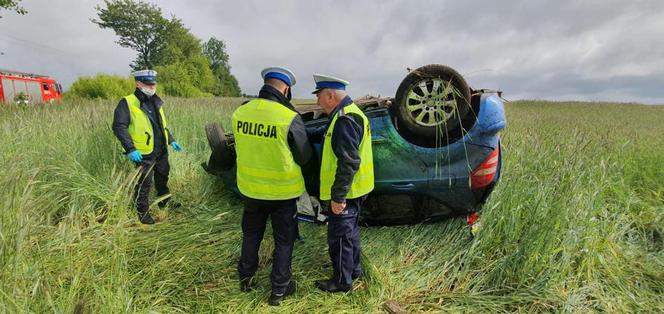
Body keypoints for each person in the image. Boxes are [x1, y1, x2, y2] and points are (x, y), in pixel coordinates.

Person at [232, 67, 313, 306]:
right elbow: (304, 156)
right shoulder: (288, 117)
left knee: (251, 234)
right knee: (284, 241)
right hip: (282, 193)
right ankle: (279, 289)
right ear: (286, 89)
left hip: (250, 190)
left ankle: (246, 278)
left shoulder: (241, 112)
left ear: (265, 84)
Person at [309, 74, 374, 293]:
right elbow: (327, 134)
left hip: (347, 193)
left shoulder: (345, 119)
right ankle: (354, 270)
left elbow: (348, 162)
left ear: (330, 95)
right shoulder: (348, 114)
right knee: (351, 233)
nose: (317, 102)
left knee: (340, 238)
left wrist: (338, 197)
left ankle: (342, 282)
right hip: (357, 190)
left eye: (319, 96)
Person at [112, 70, 182, 225]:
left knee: (163, 176)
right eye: (148, 83)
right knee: (144, 183)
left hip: (161, 149)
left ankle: (164, 201)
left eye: (154, 83)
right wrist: (130, 149)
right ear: (138, 83)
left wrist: (171, 140)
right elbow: (119, 126)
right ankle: (142, 212)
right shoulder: (127, 102)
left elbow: (161, 126)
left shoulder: (156, 101)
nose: (152, 86)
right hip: (143, 152)